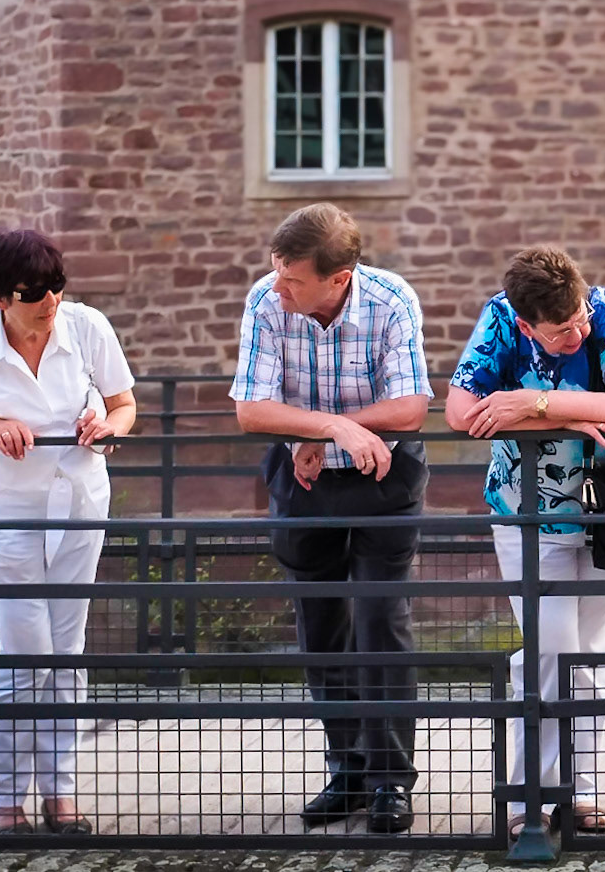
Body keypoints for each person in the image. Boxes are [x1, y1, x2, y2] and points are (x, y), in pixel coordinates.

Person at [0, 229, 137, 836]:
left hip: (80, 501)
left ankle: (60, 794)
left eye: (56, 287)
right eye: (32, 292)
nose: (48, 301)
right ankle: (5, 799)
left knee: (66, 652)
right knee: (25, 652)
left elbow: (126, 405)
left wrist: (107, 422)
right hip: (7, 509)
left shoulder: (89, 326)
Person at [229, 203, 432, 833]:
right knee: (320, 629)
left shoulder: (392, 299)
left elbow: (411, 407)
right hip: (303, 479)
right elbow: (251, 409)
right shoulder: (266, 299)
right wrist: (326, 427)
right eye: (277, 272)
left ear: (338, 277)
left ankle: (389, 782)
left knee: (379, 620)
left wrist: (341, 429)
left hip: (383, 479)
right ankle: (346, 772)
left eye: (293, 279)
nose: (279, 286)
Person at [445, 246, 605, 836]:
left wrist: (534, 403)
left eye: (580, 317)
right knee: (551, 651)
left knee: (592, 658)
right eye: (562, 330)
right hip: (527, 515)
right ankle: (526, 799)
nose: (578, 332)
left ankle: (580, 793)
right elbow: (462, 412)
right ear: (527, 322)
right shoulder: (501, 319)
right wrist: (576, 414)